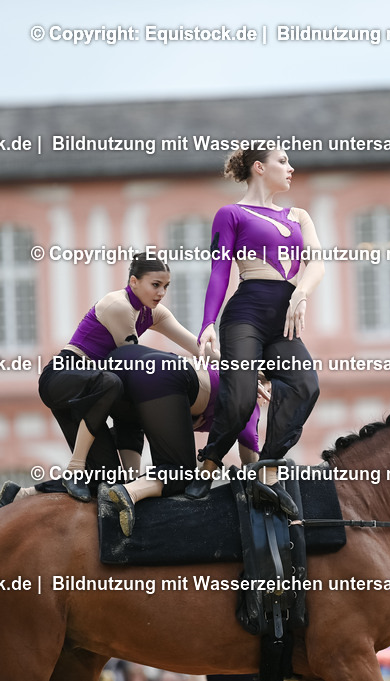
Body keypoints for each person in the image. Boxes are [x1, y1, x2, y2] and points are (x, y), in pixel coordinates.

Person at [187, 146, 325, 514]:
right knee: (240, 399)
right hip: (245, 316)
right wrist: (208, 324)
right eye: (283, 161)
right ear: (260, 168)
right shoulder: (231, 214)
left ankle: (267, 469)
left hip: (284, 322)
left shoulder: (298, 216)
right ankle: (209, 465)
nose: (291, 167)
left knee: (305, 385)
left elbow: (317, 263)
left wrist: (301, 294)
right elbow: (220, 272)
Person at [37, 252, 201, 502]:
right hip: (63, 376)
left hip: (93, 391)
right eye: (155, 285)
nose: (161, 293)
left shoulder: (154, 313)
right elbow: (132, 365)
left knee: (106, 479)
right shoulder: (119, 305)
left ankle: (23, 494)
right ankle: (75, 469)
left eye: (166, 286)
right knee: (118, 385)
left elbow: (198, 347)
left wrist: (246, 371)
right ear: (134, 281)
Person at [97, 343, 264, 535]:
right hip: (158, 375)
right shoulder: (247, 395)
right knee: (180, 474)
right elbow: (250, 456)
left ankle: (129, 483)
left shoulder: (219, 369)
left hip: (119, 365)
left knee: (131, 426)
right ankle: (129, 491)